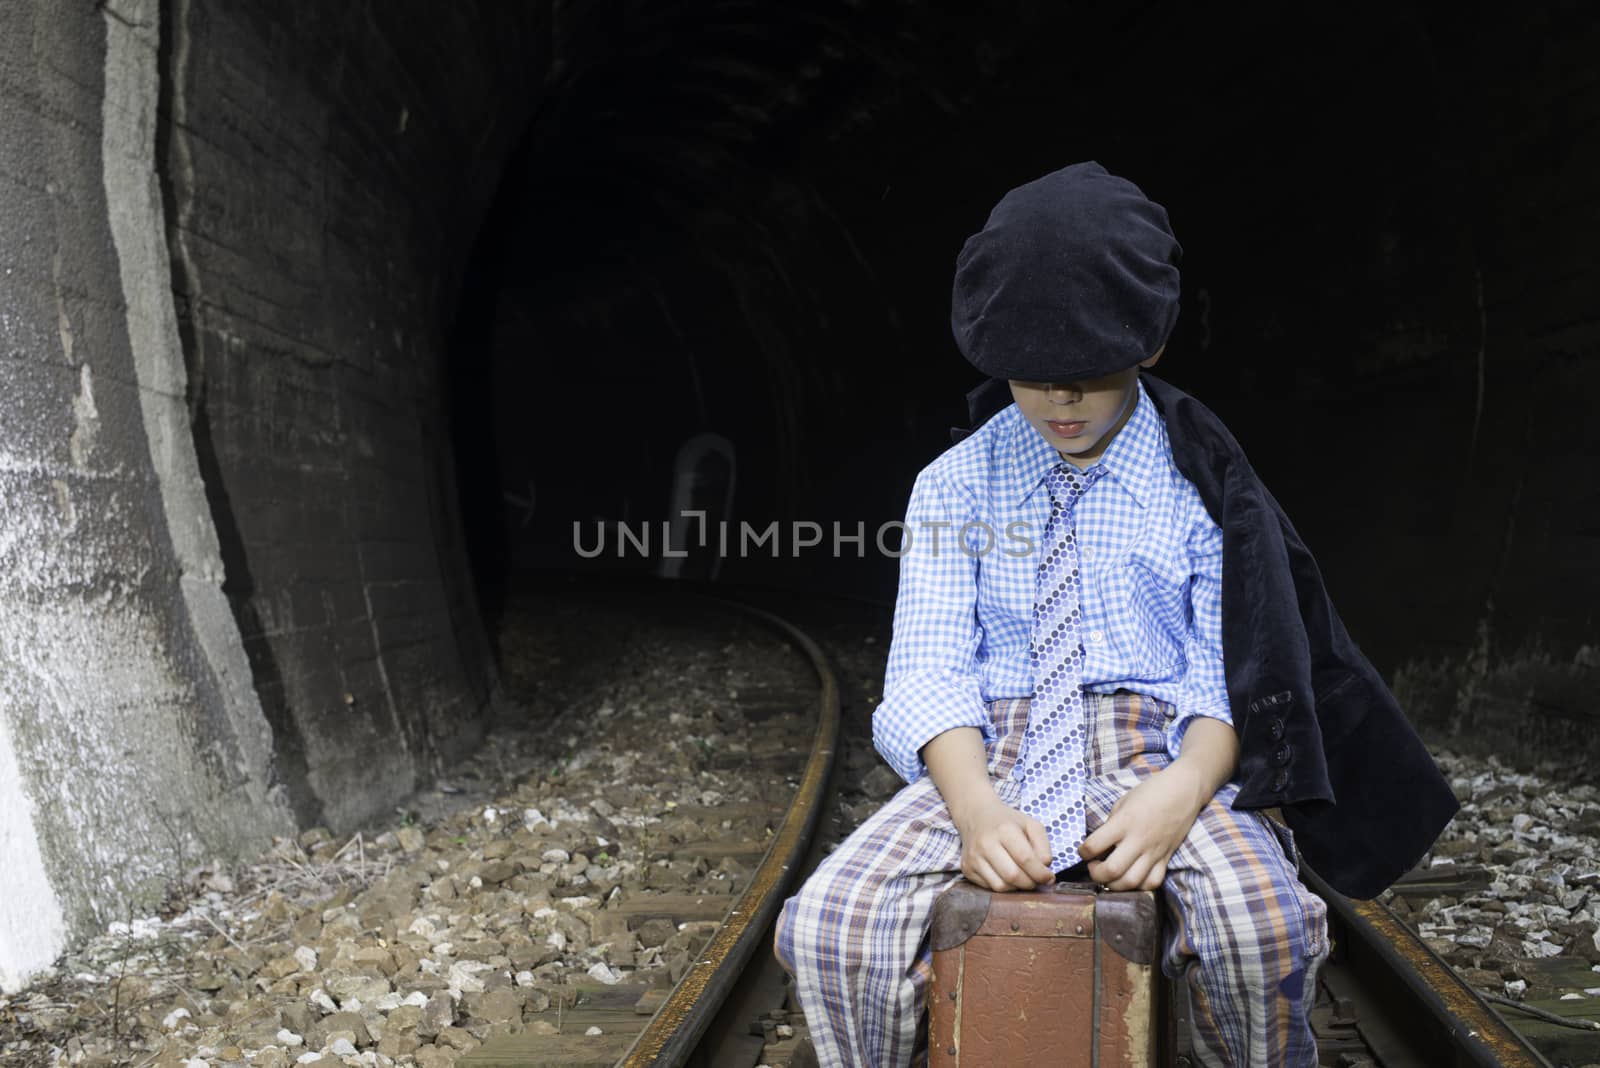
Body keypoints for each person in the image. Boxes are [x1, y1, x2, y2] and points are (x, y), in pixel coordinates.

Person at [773, 161, 1456, 1068]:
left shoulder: (1201, 486)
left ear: (1150, 347)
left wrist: (1183, 793)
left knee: (1262, 925)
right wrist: (974, 808)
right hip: (997, 747)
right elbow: (930, 668)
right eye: (1034, 375)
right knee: (829, 923)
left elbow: (1233, 667)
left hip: (1166, 745)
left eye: (1089, 375)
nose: (1062, 400)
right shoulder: (953, 485)